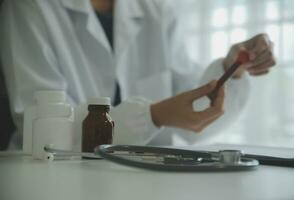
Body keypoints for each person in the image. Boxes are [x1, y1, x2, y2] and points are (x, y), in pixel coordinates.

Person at [0, 0, 275, 149]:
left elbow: (196, 117)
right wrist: (154, 116)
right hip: (52, 180)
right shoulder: (30, 6)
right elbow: (45, 134)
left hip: (143, 180)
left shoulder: (157, 8)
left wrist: (232, 70)